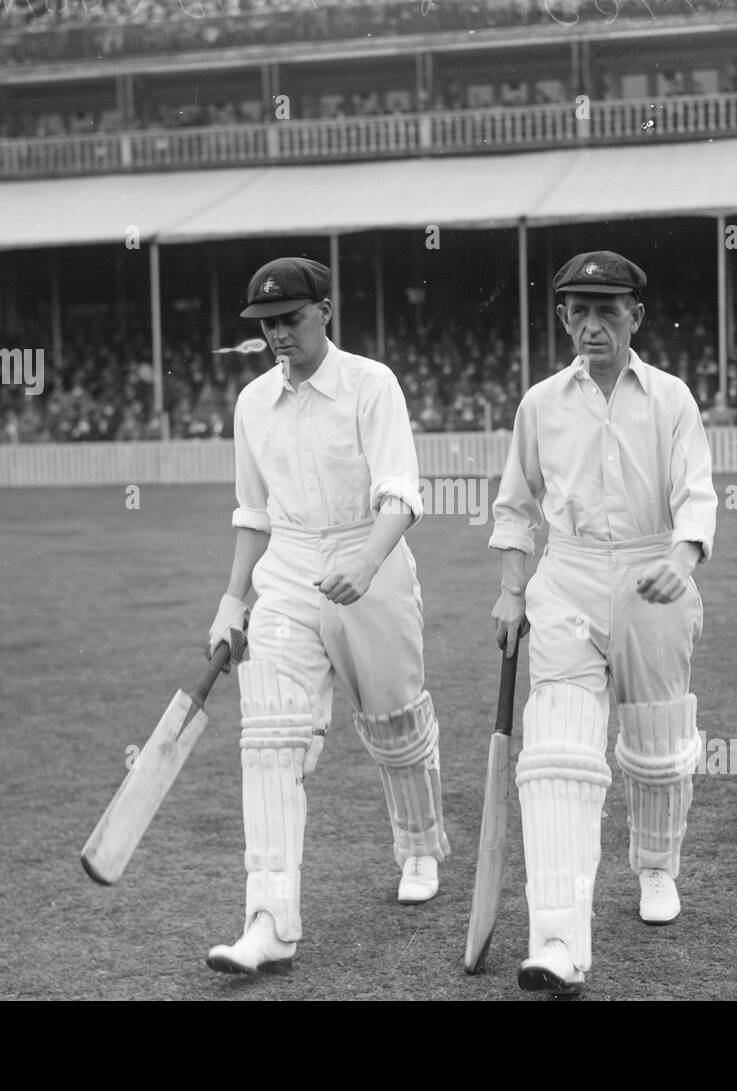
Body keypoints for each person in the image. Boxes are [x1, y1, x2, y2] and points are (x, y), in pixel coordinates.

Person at [204, 258, 450, 975]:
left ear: (325, 311)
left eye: (291, 319)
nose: (279, 335)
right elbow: (253, 515)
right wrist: (231, 600)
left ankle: (418, 845)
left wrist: (366, 563)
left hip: (368, 558)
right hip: (286, 568)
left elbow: (399, 494)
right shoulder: (252, 403)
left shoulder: (371, 384)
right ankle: (270, 919)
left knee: (395, 722)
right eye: (267, 325)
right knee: (270, 739)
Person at [490, 251, 717, 997]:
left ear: (635, 317)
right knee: (556, 750)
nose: (592, 325)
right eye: (578, 311)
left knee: (654, 747)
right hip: (570, 575)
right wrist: (511, 591)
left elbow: (697, 497)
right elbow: (516, 507)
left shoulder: (673, 399)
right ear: (562, 318)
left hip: (655, 572)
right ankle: (558, 937)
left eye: (607, 310)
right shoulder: (541, 403)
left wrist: (681, 561)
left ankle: (655, 867)